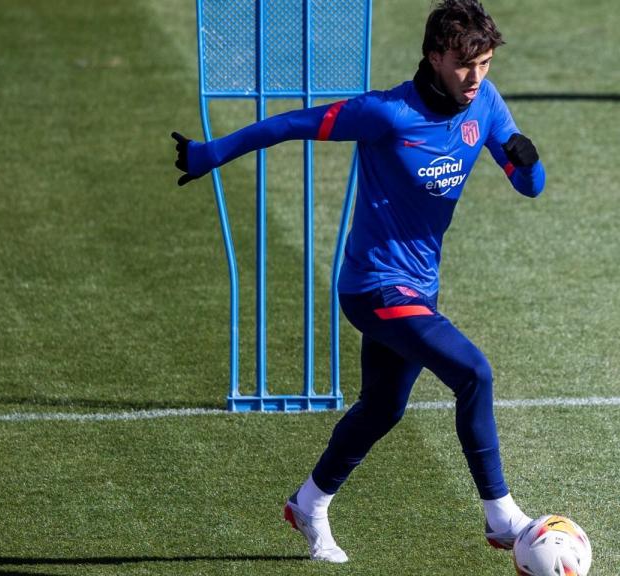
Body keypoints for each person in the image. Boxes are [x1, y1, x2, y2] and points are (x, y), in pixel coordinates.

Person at [173, 0, 544, 563]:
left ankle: (308, 504)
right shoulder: (387, 112)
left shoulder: (485, 104)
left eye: (486, 63)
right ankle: (501, 515)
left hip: (421, 286)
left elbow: (528, 184)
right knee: (474, 374)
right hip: (373, 287)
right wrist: (210, 153)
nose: (476, 78)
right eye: (466, 64)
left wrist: (527, 159)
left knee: (382, 409)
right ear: (435, 56)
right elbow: (291, 123)